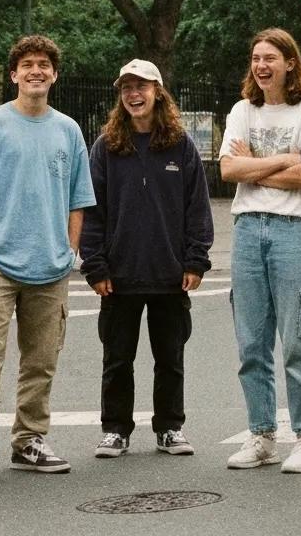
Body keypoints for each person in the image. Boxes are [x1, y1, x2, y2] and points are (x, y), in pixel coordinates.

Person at [0, 34, 97, 482]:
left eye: (44, 65)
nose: (36, 71)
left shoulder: (68, 130)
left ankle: (29, 439)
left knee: (41, 360)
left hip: (50, 266)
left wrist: (70, 249)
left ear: (54, 75)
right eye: (27, 64)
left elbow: (79, 199)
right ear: (14, 75)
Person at [218, 27, 301, 474]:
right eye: (256, 58)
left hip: (296, 232)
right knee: (252, 343)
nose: (261, 66)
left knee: (298, 342)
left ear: (291, 63)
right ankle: (262, 435)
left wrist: (258, 169)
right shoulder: (241, 111)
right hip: (249, 230)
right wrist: (287, 159)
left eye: (271, 58)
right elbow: (229, 169)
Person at [80, 59, 214, 459]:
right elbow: (91, 209)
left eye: (141, 87)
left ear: (158, 92)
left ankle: (170, 428)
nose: (134, 95)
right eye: (127, 88)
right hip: (118, 276)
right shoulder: (106, 147)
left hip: (170, 273)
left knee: (169, 358)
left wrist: (195, 260)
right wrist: (95, 265)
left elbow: (197, 208)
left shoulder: (180, 145)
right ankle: (116, 429)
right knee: (117, 358)